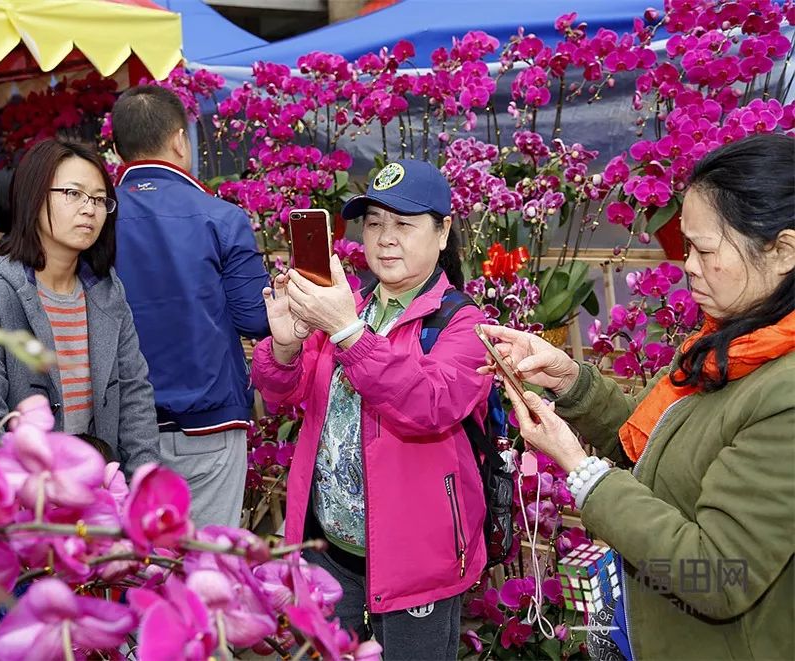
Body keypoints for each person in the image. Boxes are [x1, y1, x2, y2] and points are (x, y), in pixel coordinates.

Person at [481, 133, 794, 660]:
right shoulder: (729, 345)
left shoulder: (782, 394)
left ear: (782, 250)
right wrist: (567, 380)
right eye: (684, 247)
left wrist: (580, 471)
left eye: (705, 249)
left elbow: (717, 574)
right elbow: (657, 449)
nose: (689, 266)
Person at [251, 160, 492, 660]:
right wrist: (284, 346)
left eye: (404, 225)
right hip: (329, 548)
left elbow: (430, 403)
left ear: (443, 232)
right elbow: (282, 395)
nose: (385, 239)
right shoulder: (350, 303)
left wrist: (347, 333)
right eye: (375, 223)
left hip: (416, 564)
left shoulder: (464, 325)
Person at [0, 138, 159, 474]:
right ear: (34, 196)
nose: (89, 209)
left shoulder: (106, 290)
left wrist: (144, 482)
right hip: (27, 499)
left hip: (101, 491)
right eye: (73, 194)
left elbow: (135, 395)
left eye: (100, 199)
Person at [110, 85, 271, 527]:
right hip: (208, 423)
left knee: (137, 572)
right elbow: (255, 319)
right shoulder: (222, 217)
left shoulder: (95, 220)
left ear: (117, 147)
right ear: (180, 139)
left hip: (122, 426)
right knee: (207, 569)